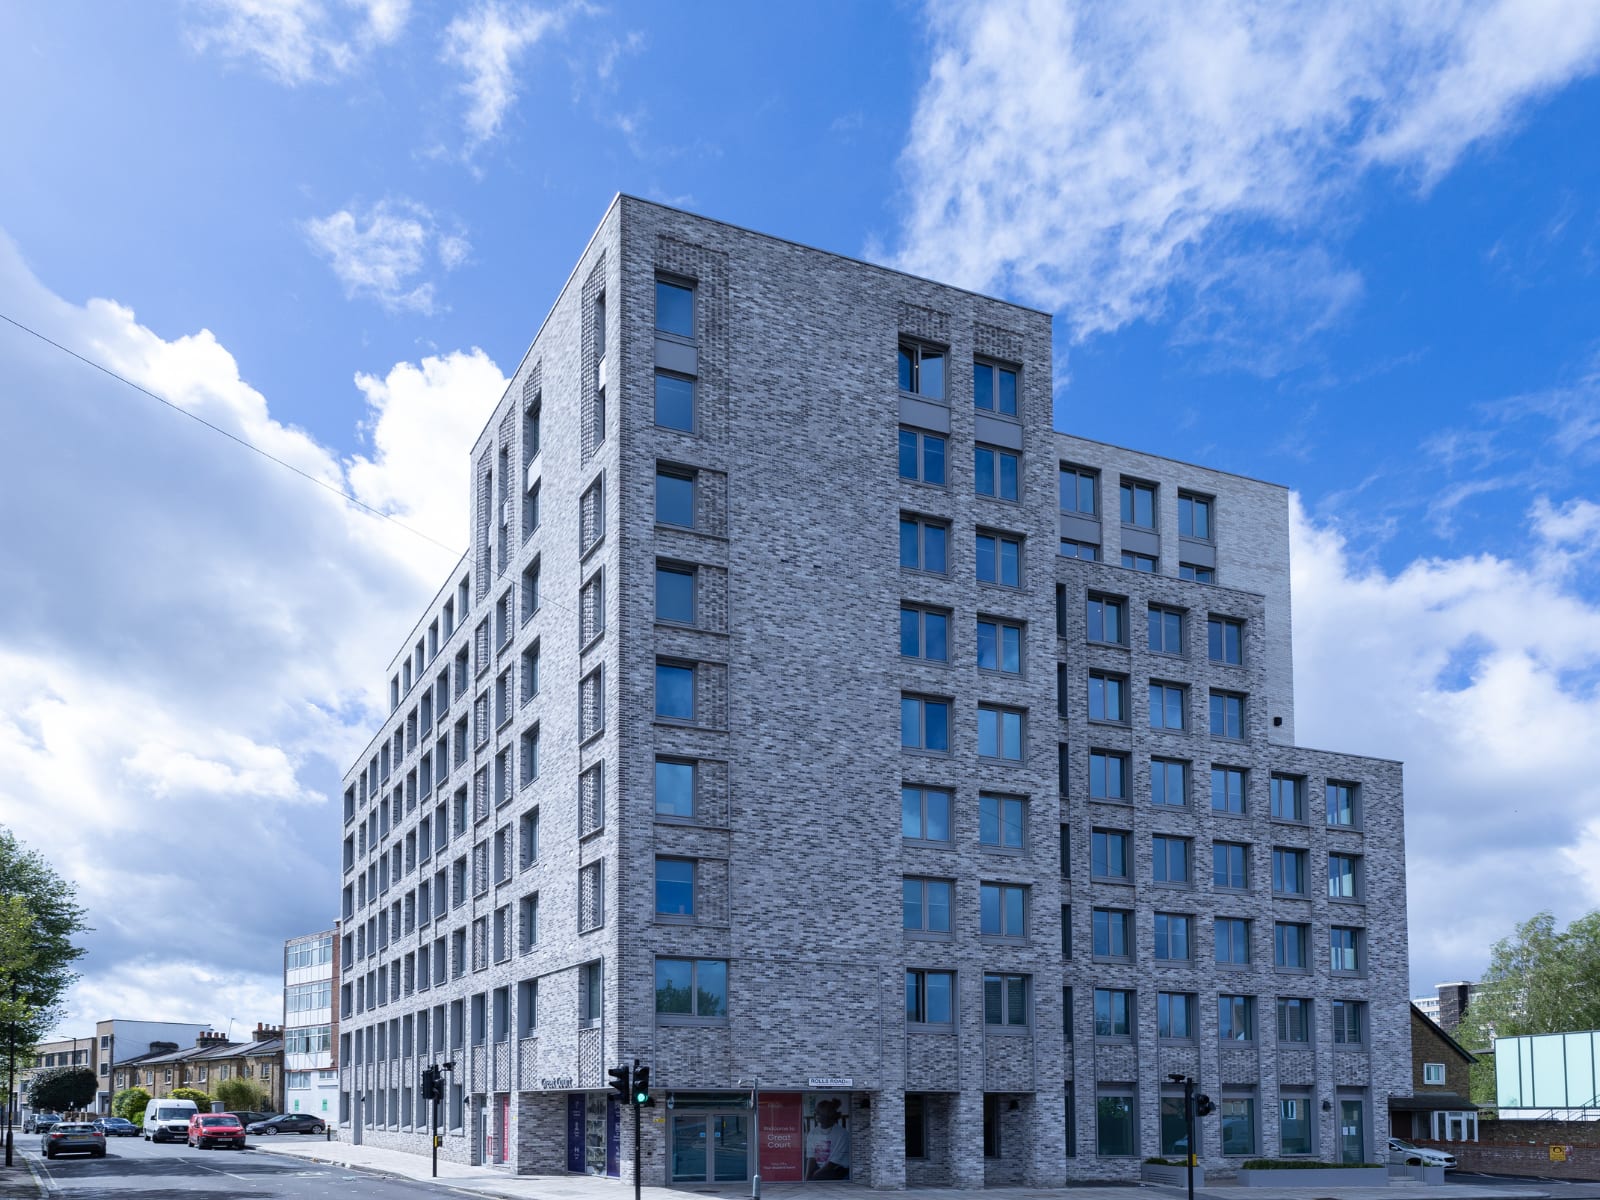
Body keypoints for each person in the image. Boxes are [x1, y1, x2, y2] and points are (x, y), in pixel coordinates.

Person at [805, 1098, 850, 1180]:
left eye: (819, 1112)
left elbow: (834, 1162)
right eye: (816, 1112)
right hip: (820, 1169)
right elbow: (811, 1157)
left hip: (838, 1169)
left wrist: (815, 1175)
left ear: (829, 1115)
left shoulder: (842, 1134)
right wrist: (806, 1178)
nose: (816, 1114)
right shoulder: (813, 1133)